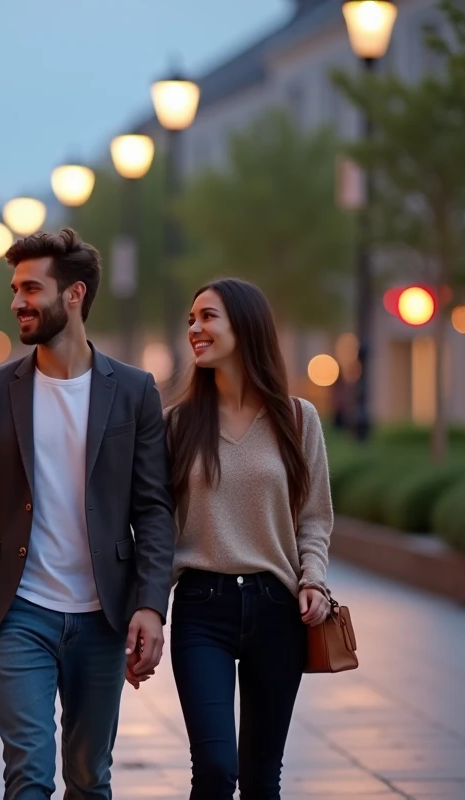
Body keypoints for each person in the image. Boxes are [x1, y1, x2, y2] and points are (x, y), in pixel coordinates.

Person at [0, 228, 177, 800]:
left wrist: (151, 605)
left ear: (73, 294)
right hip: (21, 612)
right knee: (28, 776)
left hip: (104, 616)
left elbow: (154, 507)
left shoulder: (135, 390)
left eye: (31, 288)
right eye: (15, 288)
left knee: (91, 779)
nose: (18, 301)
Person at [165, 278, 334, 800]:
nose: (195, 328)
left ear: (246, 325)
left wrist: (313, 581)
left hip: (277, 610)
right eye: (191, 319)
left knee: (263, 781)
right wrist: (146, 608)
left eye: (208, 317)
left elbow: (314, 517)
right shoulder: (177, 424)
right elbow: (160, 526)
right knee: (215, 770)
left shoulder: (297, 419)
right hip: (200, 607)